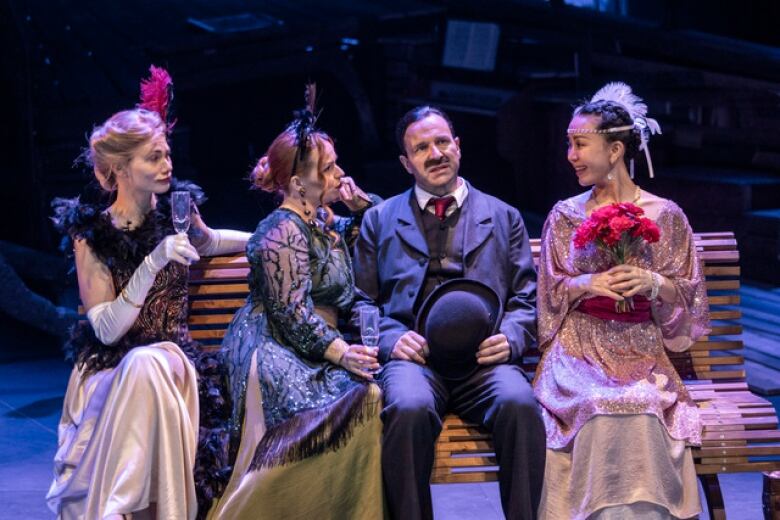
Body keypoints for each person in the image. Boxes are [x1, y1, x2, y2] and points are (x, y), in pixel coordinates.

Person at [46, 68, 250, 520]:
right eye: (153, 158)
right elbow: (105, 329)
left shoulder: (178, 212)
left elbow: (211, 241)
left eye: (167, 154)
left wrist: (270, 239)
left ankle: (116, 511)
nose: (167, 165)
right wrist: (153, 261)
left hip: (173, 367)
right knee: (141, 362)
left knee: (153, 361)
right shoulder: (92, 234)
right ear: (121, 169)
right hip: (110, 374)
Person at [352, 105, 545, 520]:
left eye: (442, 142)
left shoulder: (504, 216)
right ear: (406, 163)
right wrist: (388, 338)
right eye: (422, 148)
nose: (436, 153)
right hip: (417, 361)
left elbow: (526, 298)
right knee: (407, 408)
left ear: (458, 145)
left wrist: (511, 337)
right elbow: (361, 302)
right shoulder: (378, 221)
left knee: (520, 404)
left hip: (483, 361)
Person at [533, 82, 709, 519]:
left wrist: (652, 282)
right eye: (569, 144)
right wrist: (587, 283)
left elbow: (688, 292)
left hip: (641, 349)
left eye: (580, 144)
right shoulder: (566, 214)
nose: (570, 155)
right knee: (596, 403)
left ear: (614, 151)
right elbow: (550, 290)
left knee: (643, 404)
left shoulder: (665, 215)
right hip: (579, 349)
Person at [211, 93, 385, 519]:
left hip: (312, 346)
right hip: (274, 348)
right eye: (328, 169)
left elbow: (381, 228)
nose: (340, 174)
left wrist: (361, 204)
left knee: (369, 398)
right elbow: (291, 312)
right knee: (360, 400)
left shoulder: (324, 224)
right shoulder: (282, 230)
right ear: (296, 184)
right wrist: (343, 352)